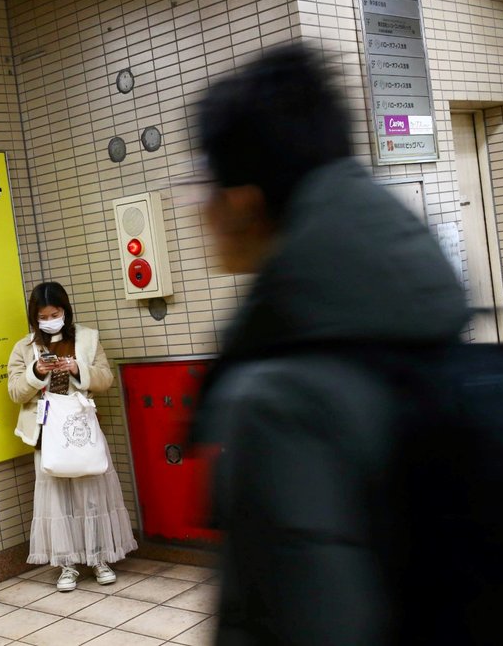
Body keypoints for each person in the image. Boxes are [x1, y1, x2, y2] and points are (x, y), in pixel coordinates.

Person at [190, 43, 473, 644]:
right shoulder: (434, 338)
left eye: (205, 184)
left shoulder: (276, 406)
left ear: (243, 201)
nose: (199, 210)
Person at [7, 281, 137, 592]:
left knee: (92, 496)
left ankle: (99, 558)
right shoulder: (24, 348)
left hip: (81, 431)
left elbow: (106, 377)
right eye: (45, 315)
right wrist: (36, 372)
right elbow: (14, 392)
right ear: (35, 317)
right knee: (58, 501)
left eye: (57, 312)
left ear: (66, 311)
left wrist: (78, 367)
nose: (51, 318)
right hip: (47, 433)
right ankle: (67, 565)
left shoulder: (87, 339)